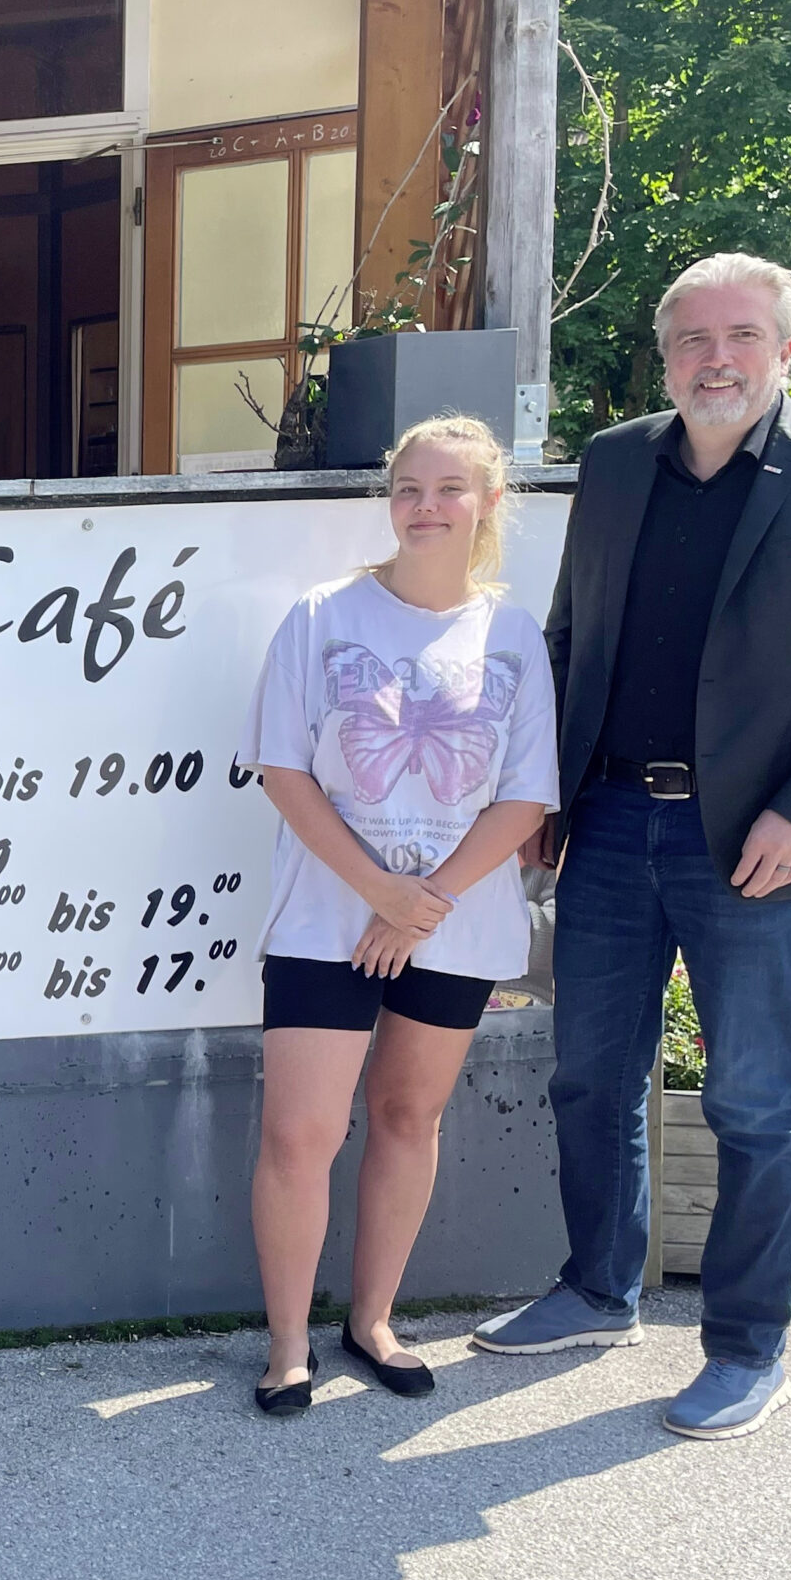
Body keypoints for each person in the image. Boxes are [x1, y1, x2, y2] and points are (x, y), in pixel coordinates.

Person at [473, 255, 791, 1438]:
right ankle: (597, 1288)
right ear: (665, 353)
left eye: (741, 335)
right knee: (588, 1073)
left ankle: (745, 1344)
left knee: (752, 1096)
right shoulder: (617, 461)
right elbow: (569, 633)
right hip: (611, 814)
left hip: (758, 837)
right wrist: (540, 794)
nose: (715, 358)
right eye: (691, 339)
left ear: (787, 349)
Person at [241, 415, 559, 1416]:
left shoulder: (511, 634)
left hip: (453, 924)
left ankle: (372, 1320)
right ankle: (288, 1342)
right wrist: (378, 891)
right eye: (409, 487)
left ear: (488, 503)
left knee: (406, 1117)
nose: (426, 505)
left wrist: (420, 906)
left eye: (449, 488)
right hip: (324, 918)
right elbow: (280, 769)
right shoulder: (324, 615)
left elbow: (524, 796)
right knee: (301, 1132)